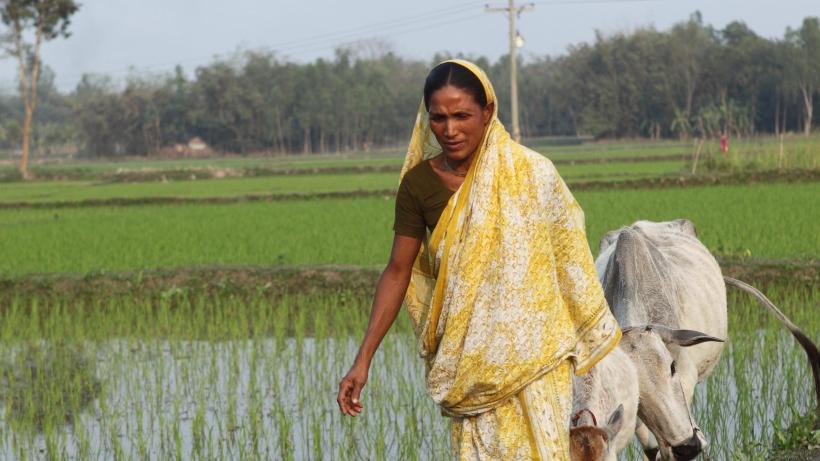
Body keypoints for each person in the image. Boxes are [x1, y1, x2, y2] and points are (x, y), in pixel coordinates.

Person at [336, 59, 621, 460]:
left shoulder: (533, 172)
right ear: (426, 118)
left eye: (462, 115)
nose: (450, 130)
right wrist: (362, 359)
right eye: (438, 118)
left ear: (488, 112)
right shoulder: (419, 185)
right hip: (470, 365)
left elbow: (568, 259)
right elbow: (398, 270)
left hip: (537, 360)